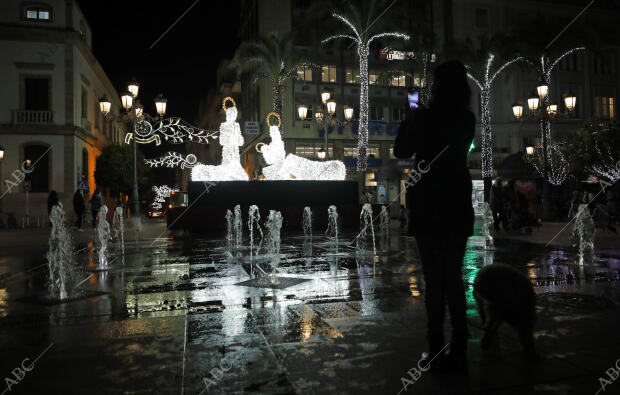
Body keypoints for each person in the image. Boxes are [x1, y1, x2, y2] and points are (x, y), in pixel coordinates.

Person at [394, 60, 474, 371]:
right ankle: (461, 344)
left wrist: (412, 116)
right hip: (455, 201)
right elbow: (455, 152)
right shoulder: (466, 118)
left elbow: (402, 150)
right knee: (453, 277)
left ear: (437, 86)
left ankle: (436, 344)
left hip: (428, 202)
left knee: (433, 279)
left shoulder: (424, 117)